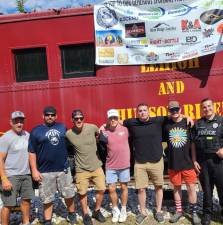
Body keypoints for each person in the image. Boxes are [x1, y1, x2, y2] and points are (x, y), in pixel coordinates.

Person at [123, 103, 193, 224]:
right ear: (137, 113)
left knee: (158, 187)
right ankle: (143, 212)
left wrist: (187, 116)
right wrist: (104, 126)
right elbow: (119, 122)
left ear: (149, 111)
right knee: (140, 189)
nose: (142, 112)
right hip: (140, 162)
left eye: (145, 110)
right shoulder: (131, 122)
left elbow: (175, 115)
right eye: (140, 111)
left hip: (156, 161)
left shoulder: (158, 120)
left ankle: (159, 211)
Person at [28, 106, 76, 225]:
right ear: (43, 116)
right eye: (48, 115)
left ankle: (71, 214)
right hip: (45, 171)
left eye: (52, 115)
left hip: (63, 169)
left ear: (56, 116)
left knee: (69, 194)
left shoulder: (62, 127)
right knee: (47, 198)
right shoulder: (36, 131)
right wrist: (34, 170)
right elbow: (31, 152)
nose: (50, 116)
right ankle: (48, 220)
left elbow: (73, 141)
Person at [66, 109, 106, 225]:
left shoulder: (92, 127)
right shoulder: (69, 134)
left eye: (81, 118)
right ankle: (86, 214)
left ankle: (97, 211)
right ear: (72, 120)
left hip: (96, 166)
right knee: (82, 192)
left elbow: (102, 134)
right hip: (81, 168)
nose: (79, 120)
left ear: (84, 119)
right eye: (76, 118)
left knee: (102, 189)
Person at [163, 101, 200, 224]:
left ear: (180, 109)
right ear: (169, 111)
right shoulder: (166, 124)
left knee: (191, 187)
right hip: (173, 163)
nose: (174, 112)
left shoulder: (188, 123)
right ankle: (179, 211)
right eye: (171, 110)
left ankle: (194, 212)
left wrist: (194, 160)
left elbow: (193, 144)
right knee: (176, 188)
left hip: (187, 162)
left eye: (176, 109)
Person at [192, 98, 223, 225]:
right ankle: (207, 214)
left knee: (222, 187)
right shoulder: (198, 124)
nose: (207, 109)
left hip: (219, 161)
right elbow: (193, 143)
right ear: (201, 109)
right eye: (204, 107)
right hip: (203, 161)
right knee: (207, 189)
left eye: (209, 106)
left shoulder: (221, 121)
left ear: (213, 106)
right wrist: (194, 160)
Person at [0, 111, 34, 225]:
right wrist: (4, 178)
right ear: (11, 122)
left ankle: (26, 222)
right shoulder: (5, 138)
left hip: (26, 174)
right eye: (16, 121)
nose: (19, 124)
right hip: (11, 176)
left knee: (26, 201)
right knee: (8, 205)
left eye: (21, 121)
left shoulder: (28, 135)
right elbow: (0, 159)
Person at [99, 109, 130, 223]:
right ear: (108, 119)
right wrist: (102, 127)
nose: (113, 120)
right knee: (111, 188)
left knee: (123, 187)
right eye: (111, 118)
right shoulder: (104, 132)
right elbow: (101, 145)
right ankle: (115, 209)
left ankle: (124, 209)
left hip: (124, 165)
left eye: (115, 118)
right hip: (111, 166)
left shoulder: (126, 129)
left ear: (118, 118)